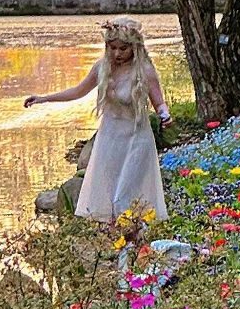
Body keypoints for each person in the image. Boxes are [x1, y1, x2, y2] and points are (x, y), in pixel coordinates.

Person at [24, 18, 170, 223]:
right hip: (110, 139)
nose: (117, 54)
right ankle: (117, 240)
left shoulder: (144, 71)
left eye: (123, 48)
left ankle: (132, 235)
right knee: (108, 194)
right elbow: (77, 91)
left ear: (134, 47)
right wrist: (44, 98)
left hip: (136, 139)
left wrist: (165, 115)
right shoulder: (102, 68)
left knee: (125, 194)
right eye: (112, 48)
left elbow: (159, 103)